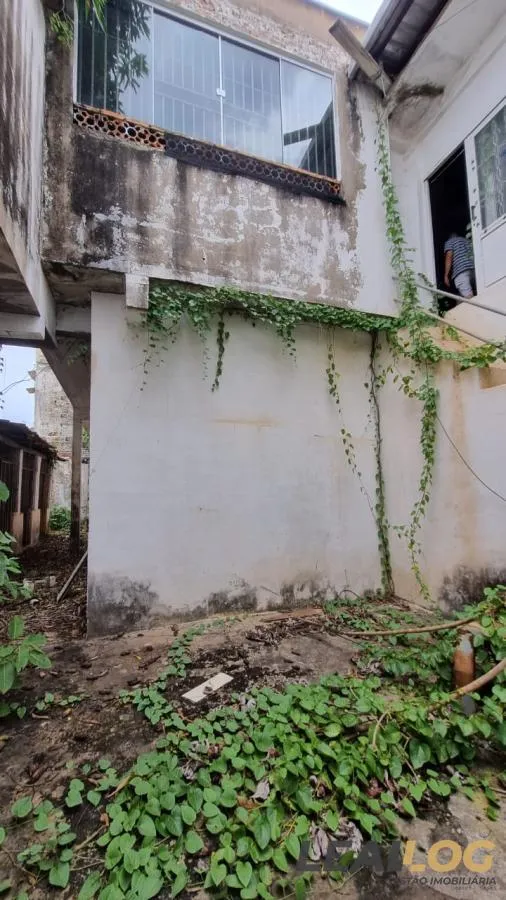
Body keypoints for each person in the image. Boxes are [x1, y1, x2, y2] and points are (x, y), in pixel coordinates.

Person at [444, 229, 475, 299]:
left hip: (461, 270)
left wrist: (446, 275)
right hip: (474, 268)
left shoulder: (449, 242)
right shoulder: (467, 240)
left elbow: (449, 256)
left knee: (468, 297)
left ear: (449, 237)